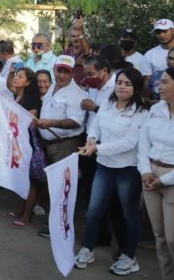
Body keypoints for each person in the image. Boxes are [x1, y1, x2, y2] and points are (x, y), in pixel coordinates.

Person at [74, 68, 149, 275]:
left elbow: (129, 143)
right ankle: (88, 249)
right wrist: (91, 139)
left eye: (127, 84)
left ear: (136, 88)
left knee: (129, 214)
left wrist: (97, 148)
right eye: (119, 82)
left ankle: (129, 256)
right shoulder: (107, 103)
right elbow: (96, 126)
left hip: (127, 170)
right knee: (94, 210)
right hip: (104, 167)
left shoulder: (141, 112)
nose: (122, 87)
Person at [137, 66, 174, 279]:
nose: (159, 85)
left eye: (165, 81)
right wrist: (144, 171)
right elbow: (143, 143)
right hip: (150, 176)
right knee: (159, 236)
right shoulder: (156, 109)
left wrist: (165, 180)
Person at [35, 55, 88, 237]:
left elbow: (76, 122)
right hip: (48, 144)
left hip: (64, 145)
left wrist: (50, 123)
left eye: (66, 71)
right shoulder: (52, 86)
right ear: (54, 70)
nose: (62, 75)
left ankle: (59, 225)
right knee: (52, 185)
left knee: (61, 186)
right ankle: (54, 220)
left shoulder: (77, 95)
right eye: (59, 70)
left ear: (72, 72)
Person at [4, 67, 42, 229]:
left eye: (20, 76)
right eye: (16, 76)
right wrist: (12, 71)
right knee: (21, 176)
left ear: (28, 82)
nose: (16, 78)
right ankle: (20, 209)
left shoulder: (32, 99)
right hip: (16, 142)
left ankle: (27, 216)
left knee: (30, 181)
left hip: (28, 144)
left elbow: (30, 121)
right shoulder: (16, 94)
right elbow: (8, 83)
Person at [145, 18, 174, 99]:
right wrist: (147, 100)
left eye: (165, 31)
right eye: (158, 32)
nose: (162, 35)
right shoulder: (149, 55)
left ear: (173, 31)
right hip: (159, 99)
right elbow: (147, 81)